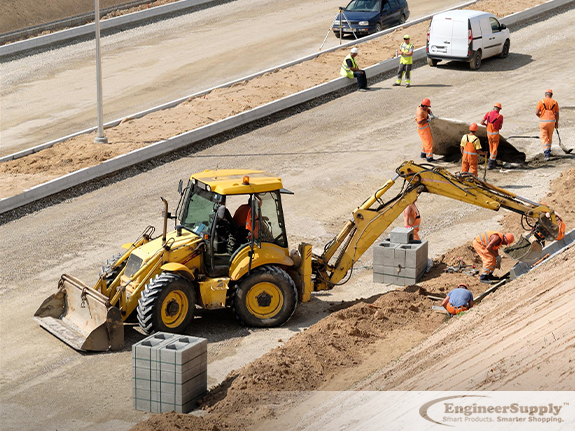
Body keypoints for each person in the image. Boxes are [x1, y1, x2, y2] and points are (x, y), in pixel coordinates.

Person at [535, 89, 560, 161]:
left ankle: (546, 154)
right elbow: (557, 114)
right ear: (551, 95)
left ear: (545, 94)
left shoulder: (541, 101)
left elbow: (536, 112)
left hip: (543, 122)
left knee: (544, 136)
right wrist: (556, 123)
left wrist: (541, 116)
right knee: (549, 136)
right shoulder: (555, 102)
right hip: (552, 122)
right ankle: (548, 150)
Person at [481, 102, 504, 169]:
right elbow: (500, 127)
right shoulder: (500, 117)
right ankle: (491, 162)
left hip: (489, 134)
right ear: (499, 109)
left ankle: (491, 161)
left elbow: (482, 122)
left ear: (493, 108)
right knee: (494, 149)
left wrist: (487, 125)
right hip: (495, 135)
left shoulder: (488, 113)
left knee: (491, 147)